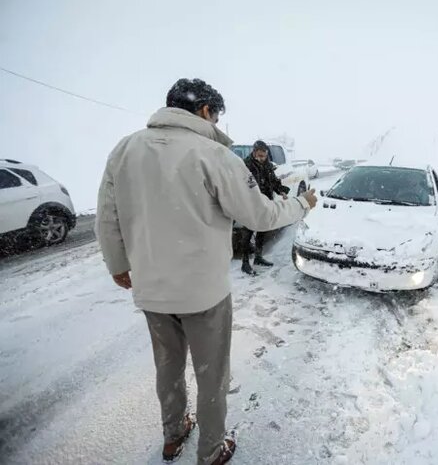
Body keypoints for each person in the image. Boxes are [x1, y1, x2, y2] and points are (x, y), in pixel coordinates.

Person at [95, 78, 317, 465]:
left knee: (168, 367)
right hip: (204, 293)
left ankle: (174, 432)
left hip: (151, 289)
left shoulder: (125, 150)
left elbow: (107, 218)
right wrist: (302, 203)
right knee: (211, 374)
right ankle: (211, 451)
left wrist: (117, 265)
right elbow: (260, 215)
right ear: (204, 111)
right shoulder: (214, 155)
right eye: (216, 114)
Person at [239, 140, 290, 275]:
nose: (262, 159)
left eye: (264, 156)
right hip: (251, 203)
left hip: (265, 201)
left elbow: (273, 180)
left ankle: (258, 257)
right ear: (254, 153)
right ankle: (245, 263)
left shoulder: (267, 165)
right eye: (260, 156)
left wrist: (282, 191)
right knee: (248, 232)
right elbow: (242, 185)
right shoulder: (246, 166)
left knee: (262, 229)